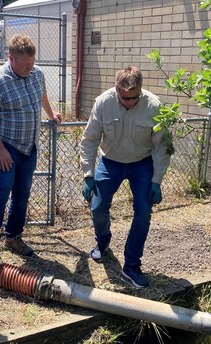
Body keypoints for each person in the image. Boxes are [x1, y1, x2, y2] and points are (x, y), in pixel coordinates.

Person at [79, 66, 170, 288]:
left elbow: (162, 146)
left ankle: (131, 265)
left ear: (140, 90)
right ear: (116, 89)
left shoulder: (154, 106)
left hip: (142, 163)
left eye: (134, 97)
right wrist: (88, 174)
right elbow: (90, 140)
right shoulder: (103, 103)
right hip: (111, 162)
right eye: (125, 98)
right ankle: (103, 243)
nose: (130, 102)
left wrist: (156, 180)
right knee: (98, 207)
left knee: (143, 211)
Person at [0, 34, 62, 268]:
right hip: (6, 147)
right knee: (1, 192)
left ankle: (13, 237)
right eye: (24, 64)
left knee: (22, 194)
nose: (29, 68)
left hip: (29, 146)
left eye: (32, 63)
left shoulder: (37, 74)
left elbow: (42, 94)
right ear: (11, 58)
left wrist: (50, 114)